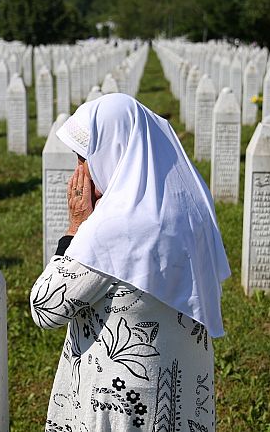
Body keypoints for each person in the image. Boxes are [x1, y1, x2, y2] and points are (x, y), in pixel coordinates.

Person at [30, 93, 230, 431]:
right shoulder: (189, 203)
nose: (80, 174)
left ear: (113, 151)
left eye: (84, 159)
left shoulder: (111, 230)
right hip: (179, 398)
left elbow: (45, 307)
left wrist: (76, 227)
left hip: (119, 406)